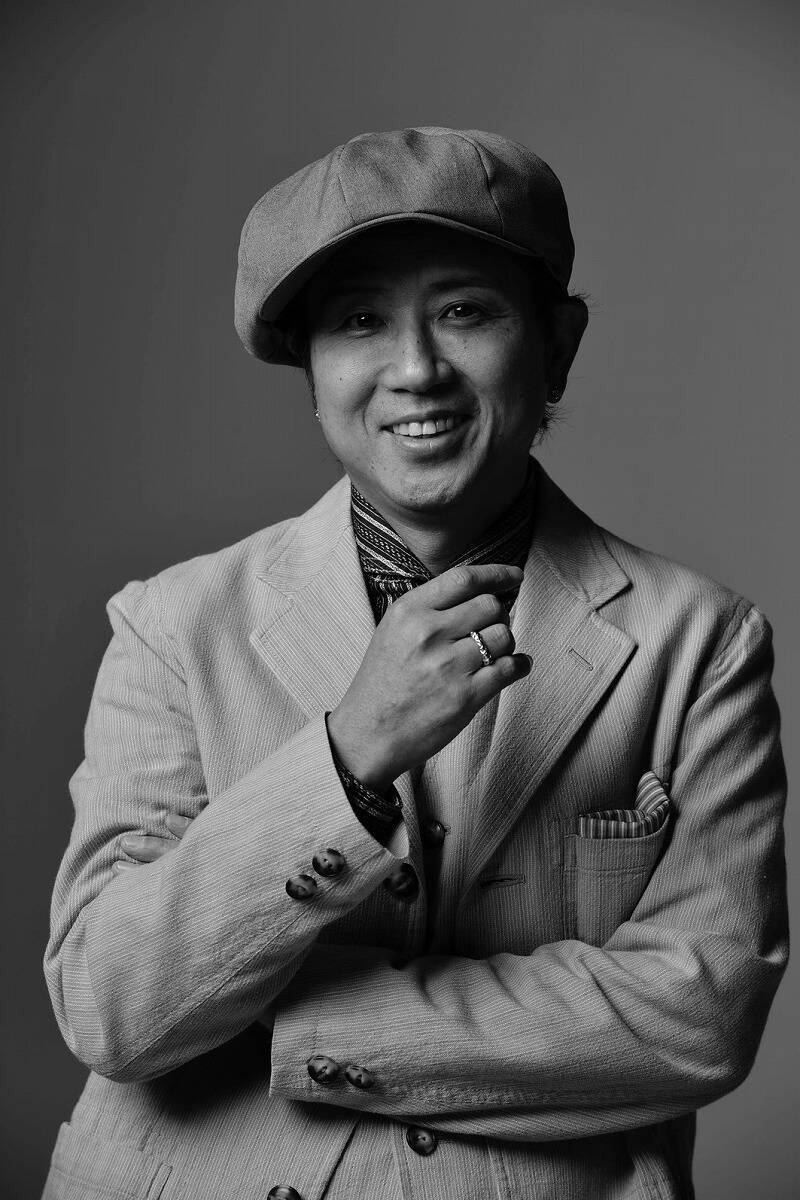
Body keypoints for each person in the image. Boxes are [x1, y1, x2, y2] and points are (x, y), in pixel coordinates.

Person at [42, 127, 787, 1200]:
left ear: (557, 344)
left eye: (465, 312)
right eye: (358, 322)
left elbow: (699, 1016)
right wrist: (347, 758)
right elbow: (110, 1005)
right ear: (310, 371)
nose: (415, 370)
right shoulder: (175, 624)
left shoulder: (700, 642)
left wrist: (292, 1020)